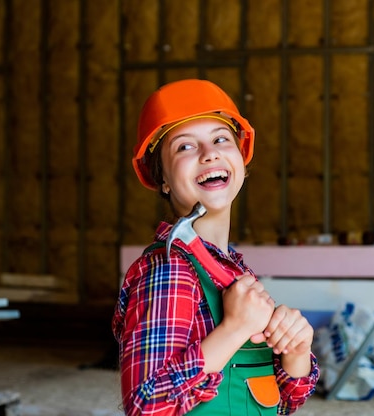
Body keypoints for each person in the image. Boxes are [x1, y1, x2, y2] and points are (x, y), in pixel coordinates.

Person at [112, 78, 319, 415]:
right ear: (162, 178)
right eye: (185, 146)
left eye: (221, 139)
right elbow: (146, 405)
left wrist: (295, 350)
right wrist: (235, 328)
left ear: (241, 157)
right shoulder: (170, 272)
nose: (209, 154)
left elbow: (278, 402)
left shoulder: (234, 272)